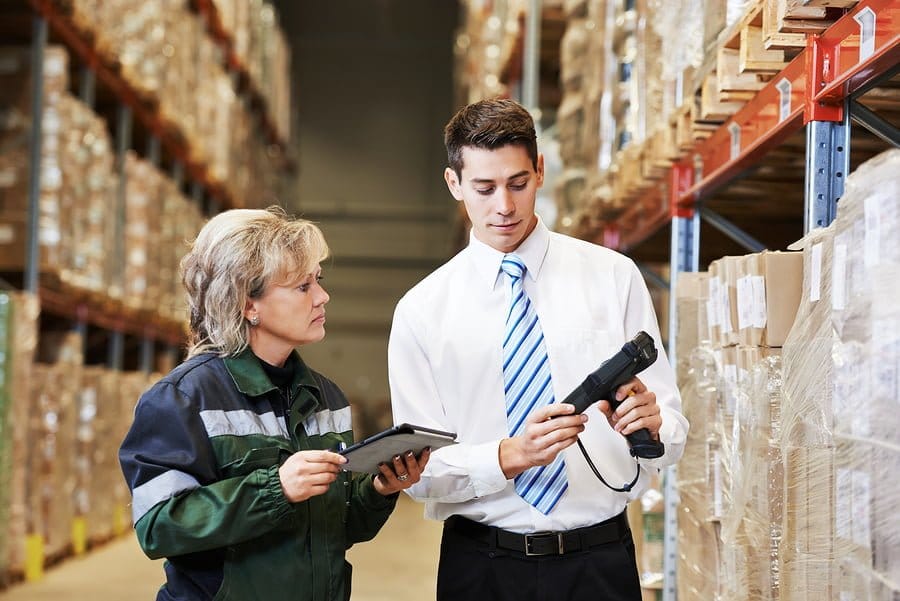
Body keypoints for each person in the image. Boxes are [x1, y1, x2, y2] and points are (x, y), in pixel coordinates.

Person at [388, 98, 689, 601]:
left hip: (600, 563)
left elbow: (674, 433)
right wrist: (510, 456)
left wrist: (655, 423)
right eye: (484, 188)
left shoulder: (613, 277)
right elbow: (420, 474)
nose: (503, 206)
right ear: (454, 184)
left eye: (518, 183)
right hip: (480, 569)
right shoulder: (422, 311)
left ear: (541, 171)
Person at [119, 207, 428, 601]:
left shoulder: (325, 398)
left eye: (319, 280)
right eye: (303, 286)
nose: (322, 297)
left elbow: (336, 531)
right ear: (248, 303)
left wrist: (381, 489)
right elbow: (158, 525)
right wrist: (275, 489)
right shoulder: (182, 399)